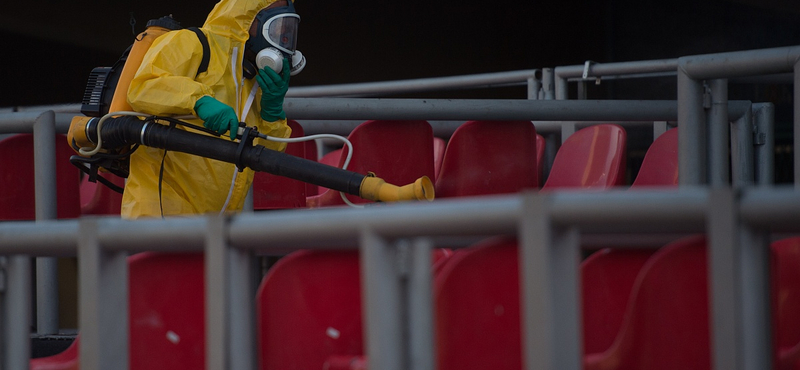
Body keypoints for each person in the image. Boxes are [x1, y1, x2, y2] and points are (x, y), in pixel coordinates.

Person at [123, 0, 302, 218]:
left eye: (287, 30)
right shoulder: (192, 43)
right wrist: (199, 101)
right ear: (249, 19)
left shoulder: (253, 82)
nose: (282, 37)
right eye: (276, 27)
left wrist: (272, 114)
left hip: (216, 225)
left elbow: (267, 157)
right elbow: (143, 87)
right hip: (159, 215)